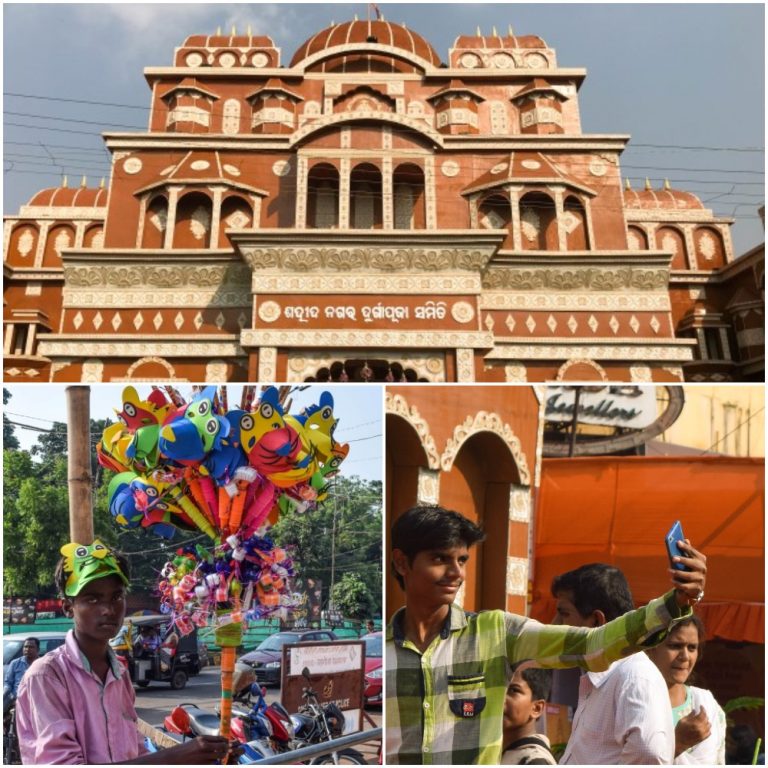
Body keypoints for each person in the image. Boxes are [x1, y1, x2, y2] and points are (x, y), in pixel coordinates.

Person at [385, 505, 707, 765]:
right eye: (440, 559)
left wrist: (674, 603)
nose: (456, 573)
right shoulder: (382, 656)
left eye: (462, 560)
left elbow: (591, 644)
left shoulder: (496, 631)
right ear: (402, 562)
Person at [15, 539, 240, 764]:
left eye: (116, 597)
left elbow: (134, 753)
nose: (108, 609)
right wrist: (174, 757)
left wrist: (202, 756)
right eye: (92, 599)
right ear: (67, 607)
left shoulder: (119, 673)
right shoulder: (47, 676)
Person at [552, 563, 675, 764]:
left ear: (596, 621)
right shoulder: (603, 674)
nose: (554, 624)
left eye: (564, 613)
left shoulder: (634, 676)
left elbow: (649, 754)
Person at [646, 614, 727, 764]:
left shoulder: (707, 706)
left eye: (692, 648)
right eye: (675, 645)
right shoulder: (635, 702)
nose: (685, 656)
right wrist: (677, 743)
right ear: (650, 649)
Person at [500, 664, 557, 765]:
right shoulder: (499, 751)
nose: (500, 699)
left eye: (513, 690)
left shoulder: (535, 760)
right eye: (498, 690)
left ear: (536, 708)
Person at [4, 637, 40, 713]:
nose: (27, 649)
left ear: (38, 650)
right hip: (16, 697)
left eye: (31, 647)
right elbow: (8, 682)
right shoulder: (15, 663)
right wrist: (5, 693)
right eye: (25, 646)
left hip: (35, 699)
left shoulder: (42, 664)